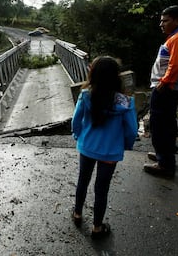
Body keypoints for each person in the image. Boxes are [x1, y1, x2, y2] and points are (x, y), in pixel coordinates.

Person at [71, 56, 138, 239]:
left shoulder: (86, 95)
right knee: (102, 188)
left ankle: (77, 214)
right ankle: (97, 227)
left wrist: (77, 135)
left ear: (93, 74)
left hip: (87, 147)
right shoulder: (126, 102)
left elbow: (76, 120)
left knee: (83, 180)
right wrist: (126, 145)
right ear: (117, 77)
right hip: (110, 151)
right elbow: (132, 130)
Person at [144, 5, 178, 177]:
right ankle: (164, 155)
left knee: (159, 125)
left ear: (177, 20)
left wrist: (165, 82)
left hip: (167, 88)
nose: (161, 24)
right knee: (168, 122)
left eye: (165, 21)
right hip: (173, 87)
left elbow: (177, 64)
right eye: (161, 20)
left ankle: (165, 164)